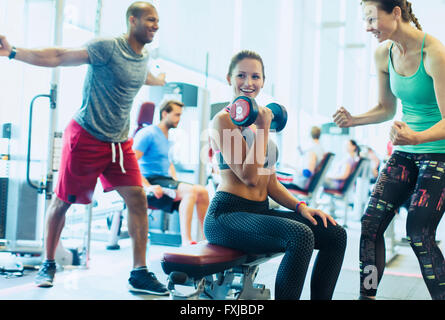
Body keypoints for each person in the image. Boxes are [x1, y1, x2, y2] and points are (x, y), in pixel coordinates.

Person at [0, 2, 169, 295]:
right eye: (151, 20)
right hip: (86, 136)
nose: (156, 25)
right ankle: (48, 262)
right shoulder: (106, 47)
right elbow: (60, 55)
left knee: (138, 200)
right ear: (133, 20)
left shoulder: (144, 57)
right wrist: (14, 51)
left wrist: (162, 80)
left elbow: (145, 76)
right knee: (62, 202)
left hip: (119, 142)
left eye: (158, 21)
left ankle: (139, 272)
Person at [204, 50, 347, 300]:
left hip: (258, 211)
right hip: (227, 215)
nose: (248, 83)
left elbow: (270, 182)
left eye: (255, 77)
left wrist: (301, 207)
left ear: (262, 81)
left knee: (334, 233)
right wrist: (263, 128)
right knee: (299, 236)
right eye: (241, 75)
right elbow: (249, 176)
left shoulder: (260, 123)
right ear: (229, 78)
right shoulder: (223, 121)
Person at [333, 0, 445, 300]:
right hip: (407, 151)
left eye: (372, 18)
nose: (367, 27)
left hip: (439, 153)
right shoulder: (383, 54)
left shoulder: (434, 53)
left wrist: (417, 138)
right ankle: (366, 296)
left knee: (419, 234)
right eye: (364, 20)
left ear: (396, 12)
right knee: (370, 224)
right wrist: (354, 120)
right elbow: (386, 108)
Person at [133, 100, 209, 245]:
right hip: (151, 180)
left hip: (164, 179)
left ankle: (207, 240)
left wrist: (175, 180)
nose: (179, 119)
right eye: (176, 115)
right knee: (189, 191)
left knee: (202, 192)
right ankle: (186, 241)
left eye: (180, 115)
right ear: (164, 113)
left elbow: (169, 162)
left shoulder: (167, 137)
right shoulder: (148, 134)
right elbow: (131, 162)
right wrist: (147, 186)